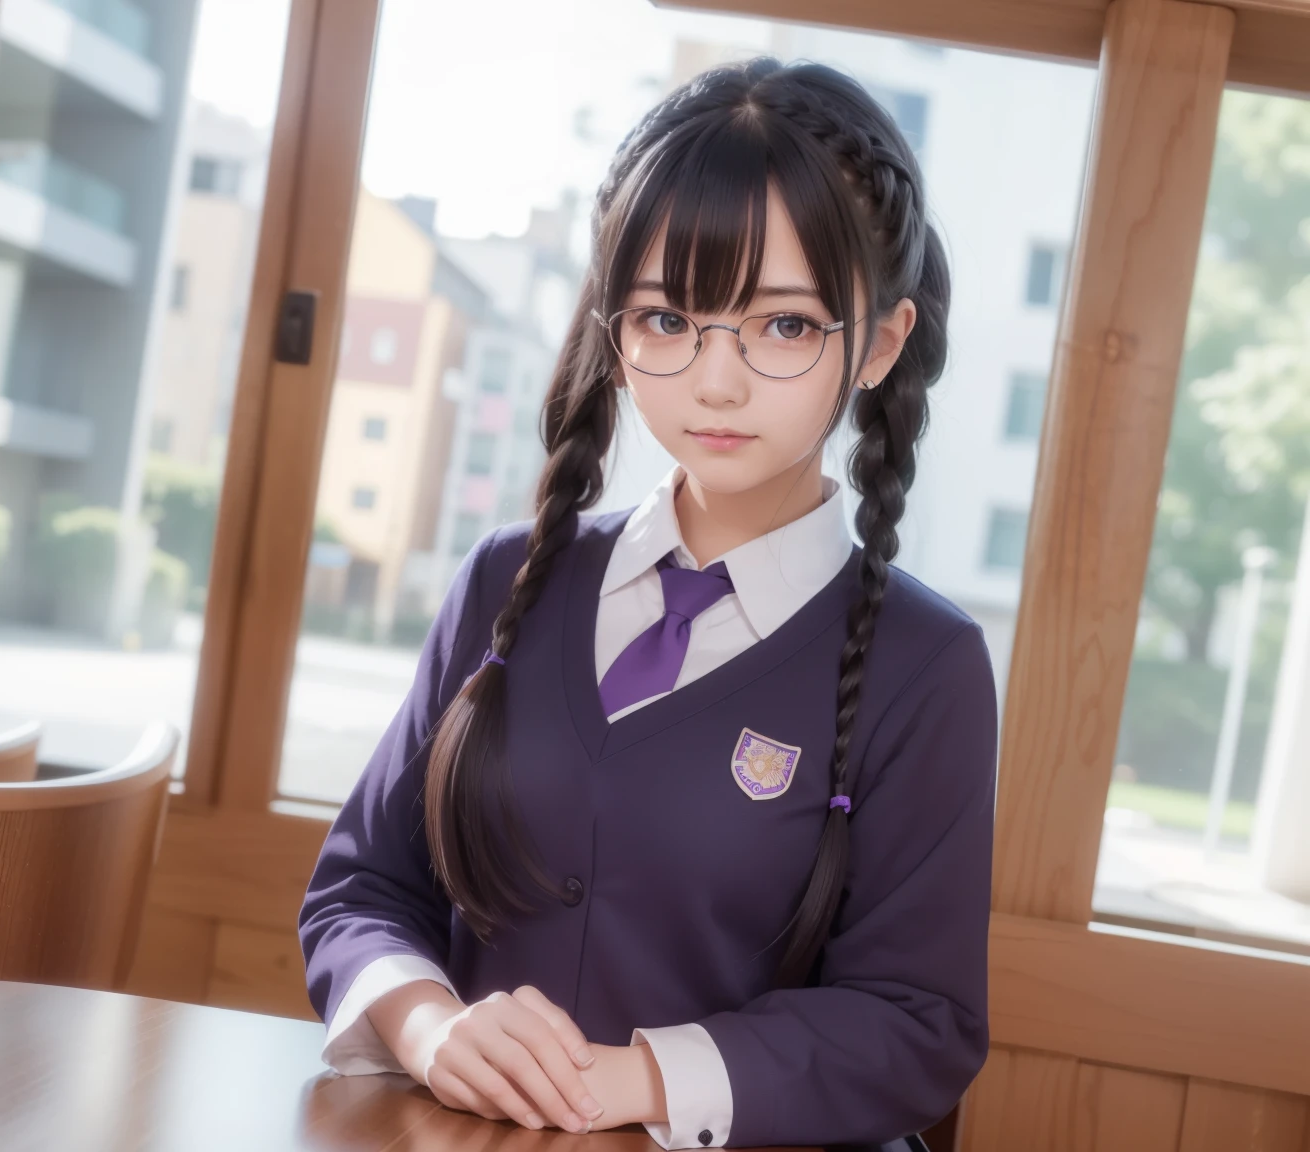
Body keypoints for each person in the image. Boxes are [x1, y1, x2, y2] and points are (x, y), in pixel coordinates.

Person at [299, 56, 999, 1151]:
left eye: (783, 326)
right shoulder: (504, 583)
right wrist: (432, 1027)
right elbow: (360, 891)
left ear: (884, 342)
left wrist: (642, 1079)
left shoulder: (929, 667)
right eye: (669, 319)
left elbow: (917, 1025)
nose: (714, 381)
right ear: (612, 326)